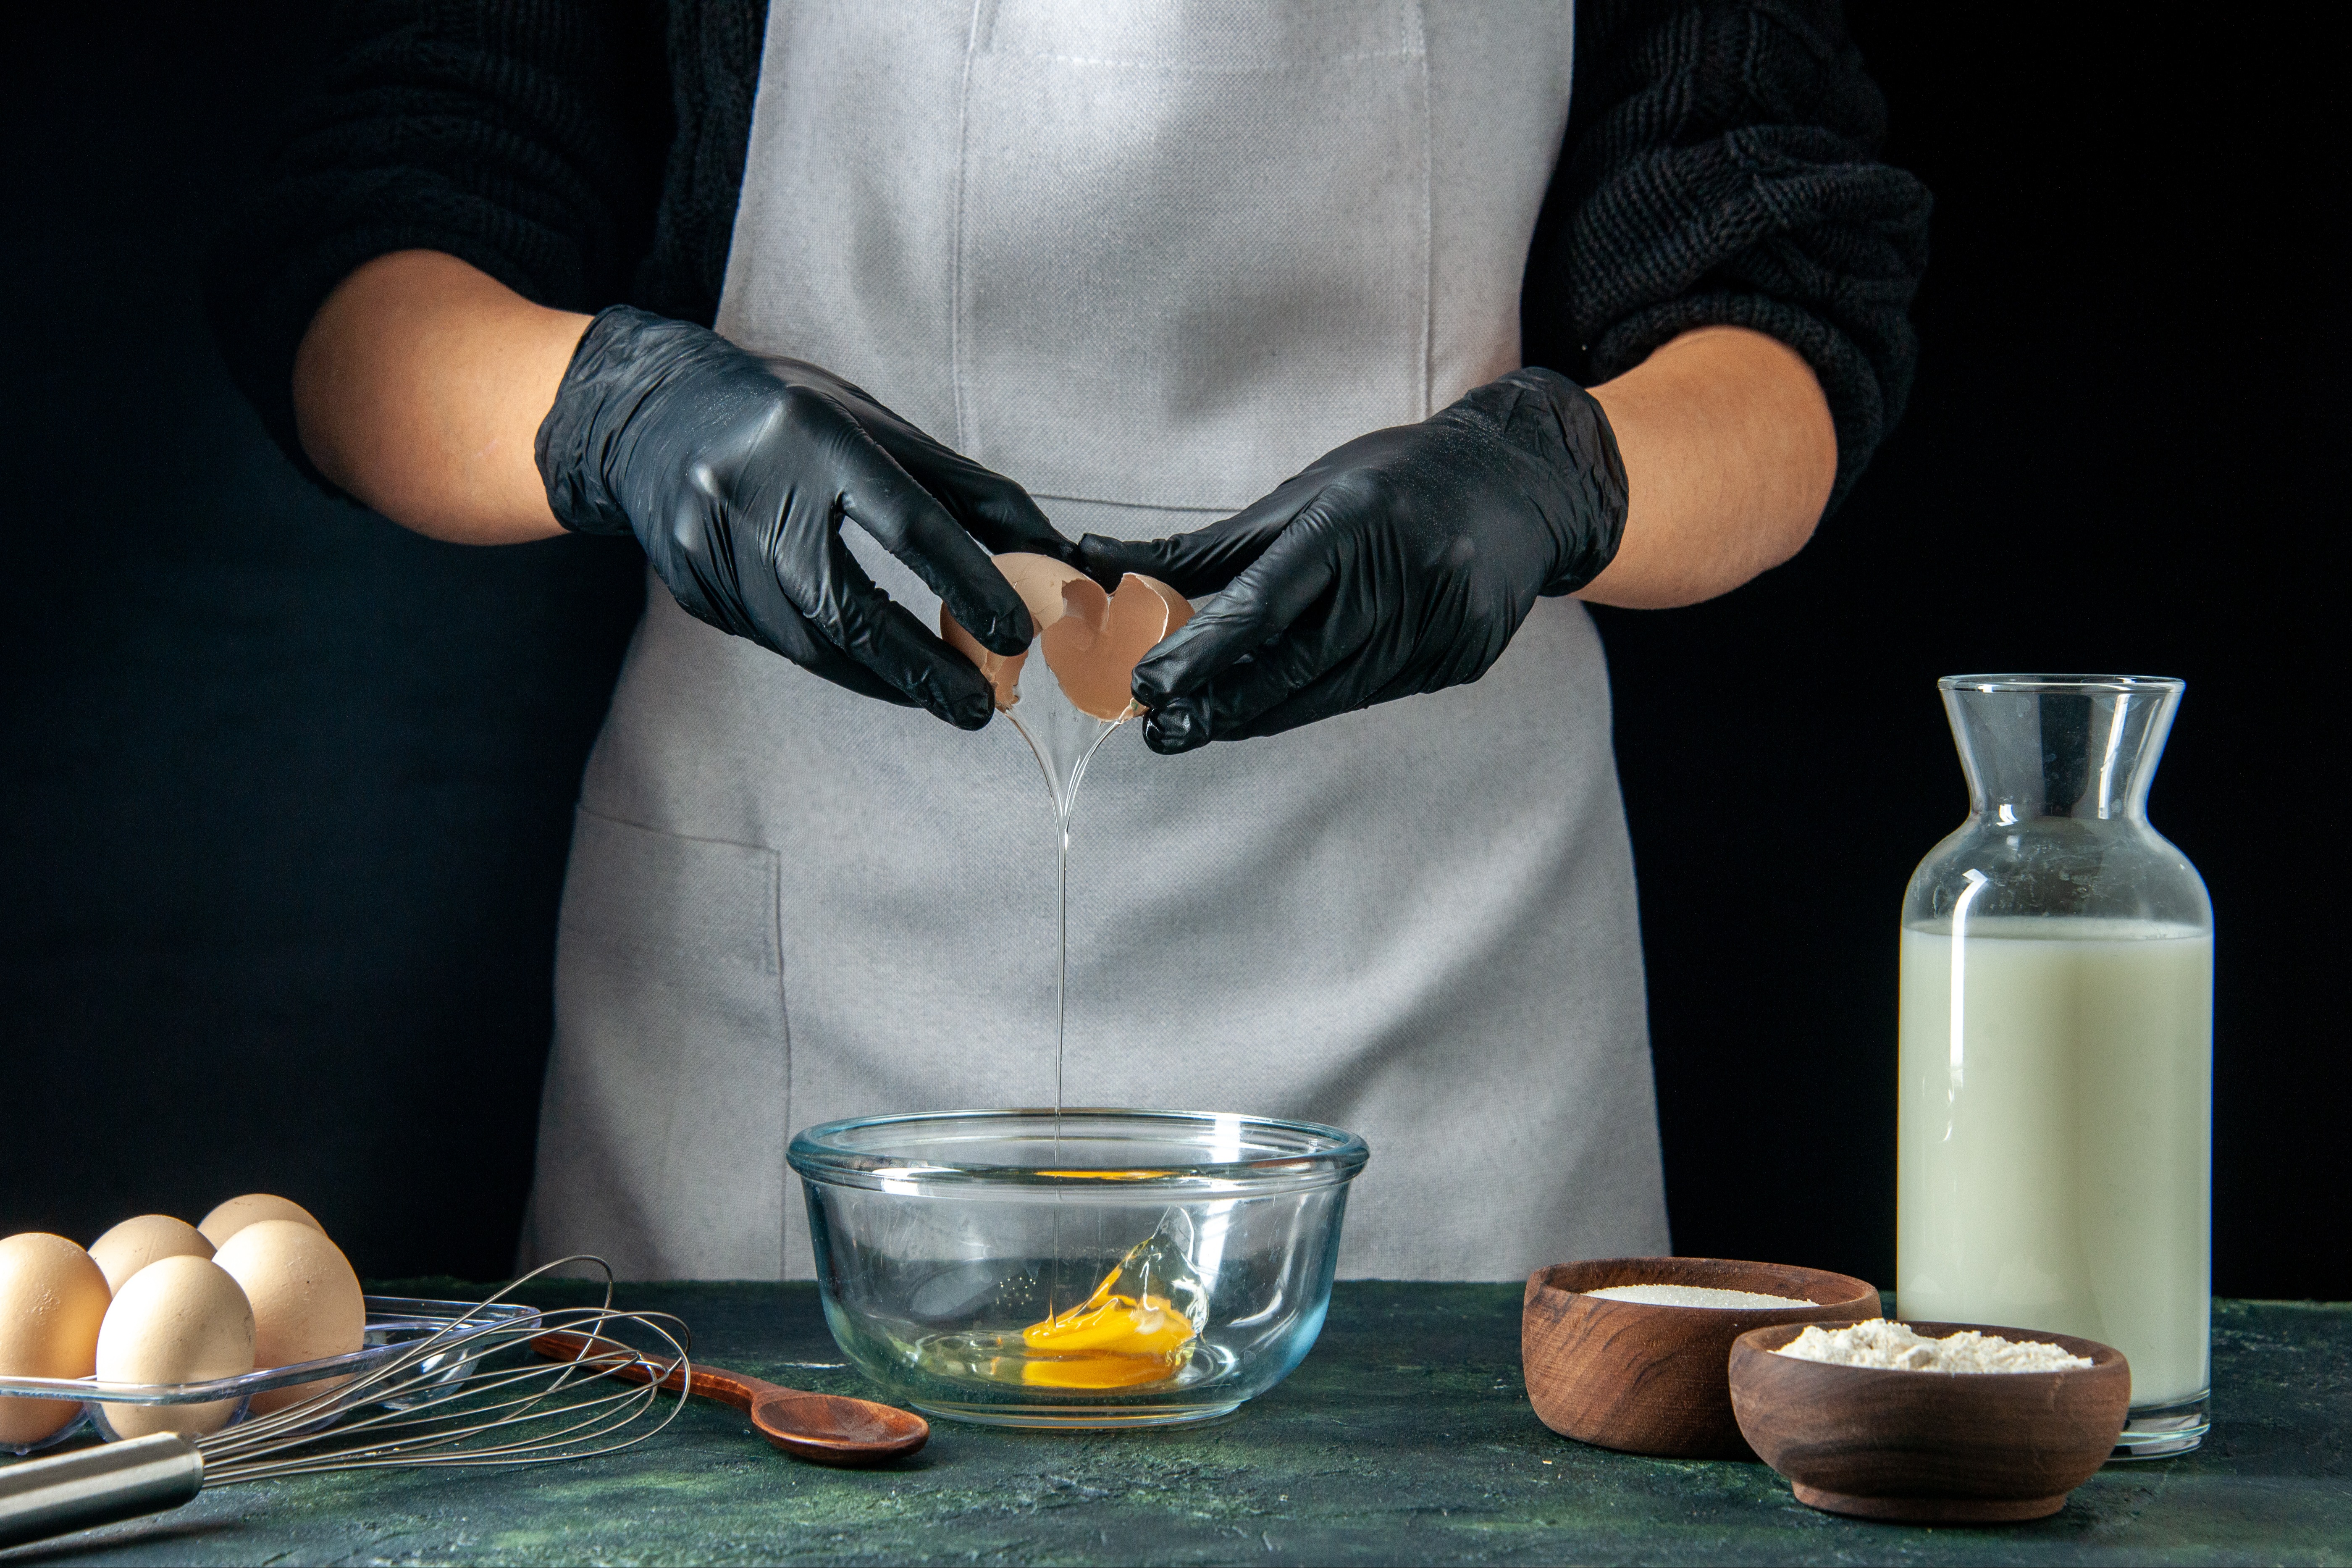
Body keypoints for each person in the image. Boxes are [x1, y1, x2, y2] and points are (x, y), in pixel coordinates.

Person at [209, 1, 1929, 1280]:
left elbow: (1778, 303)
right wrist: (614, 418)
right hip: (802, 999)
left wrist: (1562, 483)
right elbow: (369, 250)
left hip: (1433, 997)